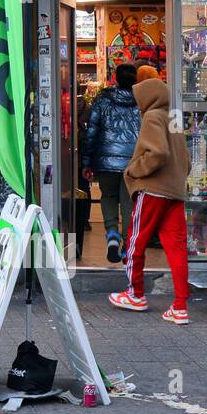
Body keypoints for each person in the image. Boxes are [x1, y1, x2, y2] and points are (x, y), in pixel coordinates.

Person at [109, 77, 192, 325]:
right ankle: (180, 306)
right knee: (177, 249)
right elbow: (185, 159)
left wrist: (134, 170)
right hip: (174, 192)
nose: (137, 104)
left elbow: (158, 153)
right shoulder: (174, 117)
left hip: (153, 189)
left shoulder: (153, 116)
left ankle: (135, 293)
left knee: (136, 240)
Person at [80, 62, 140, 263]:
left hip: (106, 160)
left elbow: (91, 132)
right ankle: (126, 245)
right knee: (128, 202)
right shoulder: (141, 100)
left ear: (115, 78)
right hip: (133, 162)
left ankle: (112, 234)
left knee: (108, 196)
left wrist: (86, 162)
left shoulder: (102, 99)